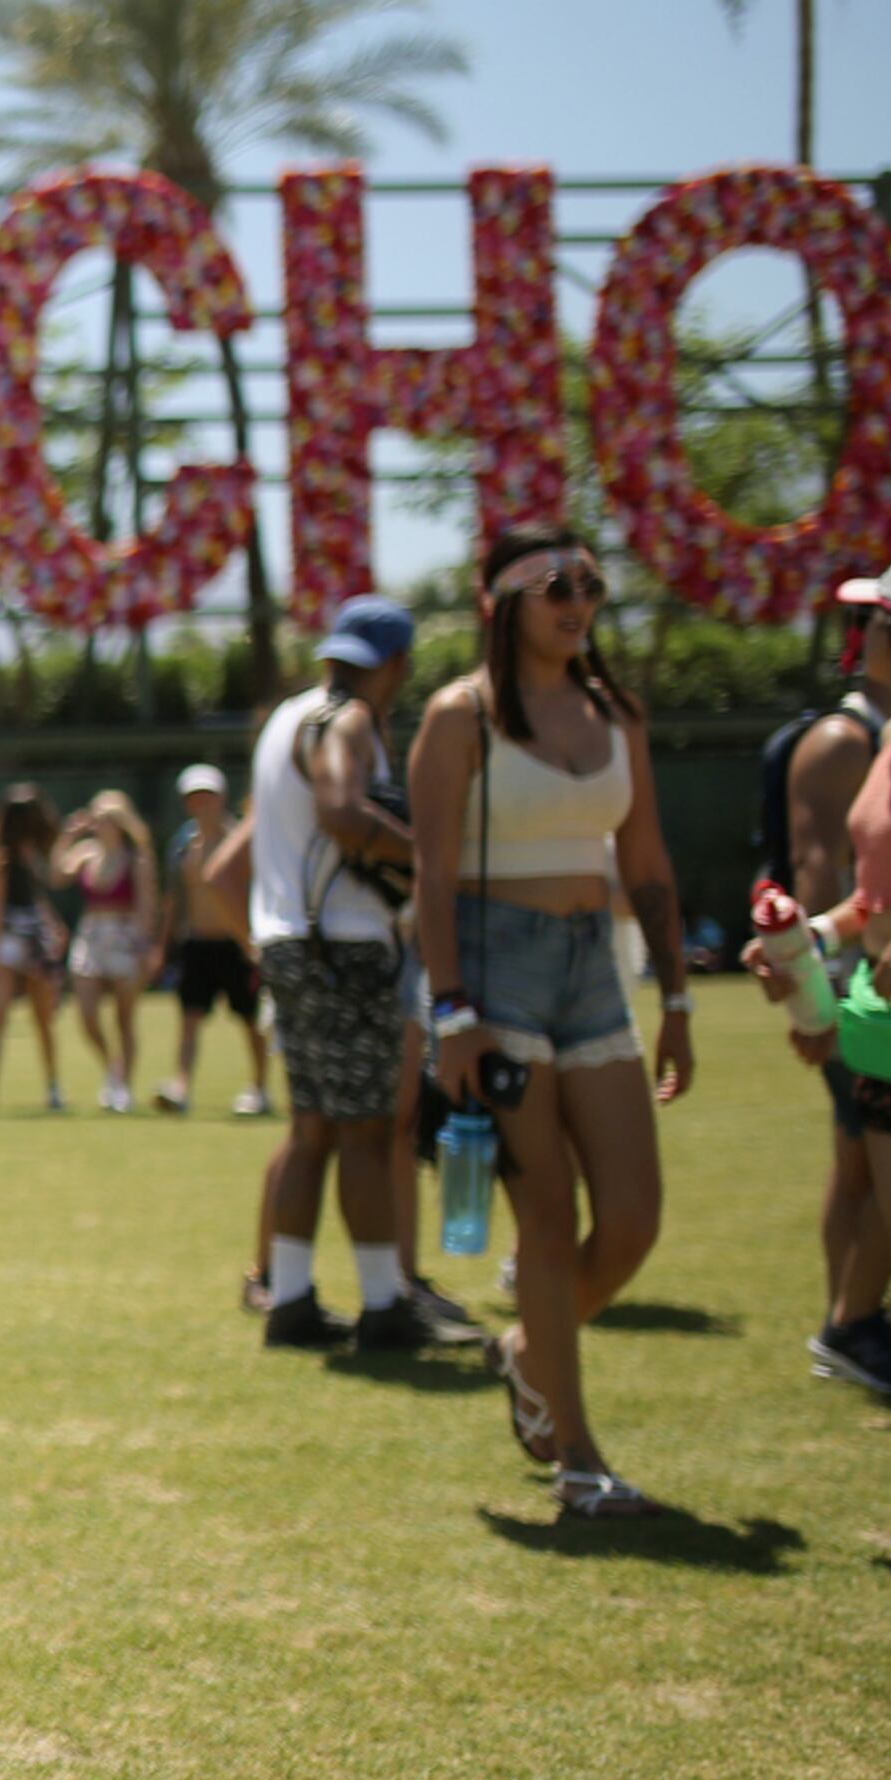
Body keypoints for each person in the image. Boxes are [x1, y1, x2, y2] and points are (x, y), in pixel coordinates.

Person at [412, 530, 687, 1517]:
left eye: (591, 583)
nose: (578, 600)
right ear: (501, 603)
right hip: (495, 968)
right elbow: (432, 880)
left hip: (595, 972)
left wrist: (681, 998)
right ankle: (578, 1459)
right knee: (546, 1217)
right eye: (553, 585)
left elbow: (645, 859)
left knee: (634, 1213)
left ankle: (528, 1347)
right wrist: (451, 1012)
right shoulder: (460, 717)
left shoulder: (619, 712)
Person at [250, 597, 461, 1352]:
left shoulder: (283, 719)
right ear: (398, 664)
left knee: (312, 1131)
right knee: (371, 1132)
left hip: (284, 940)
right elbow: (341, 810)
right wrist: (425, 856)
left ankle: (293, 1299)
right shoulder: (351, 720)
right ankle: (383, 1306)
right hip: (343, 945)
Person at [758, 593, 891, 1399]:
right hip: (881, 1008)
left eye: (876, 621)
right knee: (869, 1174)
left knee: (866, 1172)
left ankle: (852, 1322)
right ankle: (852, 1323)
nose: (863, 636)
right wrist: (808, 965)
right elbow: (845, 885)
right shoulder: (866, 742)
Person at [161, 765, 272, 1120]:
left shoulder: (241, 840)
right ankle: (180, 1087)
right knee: (190, 1018)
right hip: (197, 945)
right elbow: (175, 900)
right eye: (194, 798)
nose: (201, 804)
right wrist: (164, 945)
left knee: (250, 1020)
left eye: (207, 796)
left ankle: (259, 1087)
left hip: (237, 945)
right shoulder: (182, 845)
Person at [56, 791, 162, 1112]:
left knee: (124, 1018)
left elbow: (147, 905)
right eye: (98, 818)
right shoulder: (87, 853)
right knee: (87, 1015)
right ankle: (112, 1067)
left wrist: (145, 947)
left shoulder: (137, 859)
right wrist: (68, 835)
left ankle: (122, 1085)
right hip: (91, 936)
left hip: (125, 937)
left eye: (109, 819)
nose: (102, 825)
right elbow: (56, 874)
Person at [0, 787, 69, 1113]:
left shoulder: (37, 851)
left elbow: (40, 894)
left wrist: (53, 925)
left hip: (36, 935)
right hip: (10, 934)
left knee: (42, 1017)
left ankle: (53, 1087)